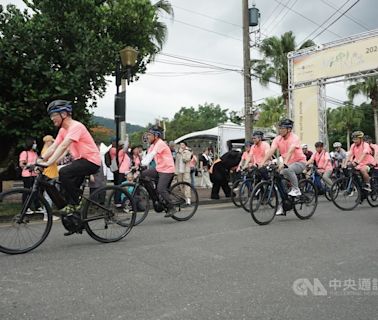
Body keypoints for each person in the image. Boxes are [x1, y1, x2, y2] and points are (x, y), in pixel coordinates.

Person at [37, 100, 101, 214]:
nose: (52, 118)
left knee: (64, 172)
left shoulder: (76, 126)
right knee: (64, 184)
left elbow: (63, 145)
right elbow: (53, 147)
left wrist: (49, 162)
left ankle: (76, 203)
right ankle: (76, 219)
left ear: (64, 114)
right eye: (51, 115)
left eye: (54, 114)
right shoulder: (63, 130)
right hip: (80, 161)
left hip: (91, 161)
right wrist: (40, 159)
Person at [262, 119, 307, 215]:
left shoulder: (294, 138)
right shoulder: (278, 139)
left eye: (282, 128)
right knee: (278, 181)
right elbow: (271, 150)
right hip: (287, 163)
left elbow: (291, 151)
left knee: (287, 169)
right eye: (280, 128)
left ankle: (296, 189)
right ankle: (282, 206)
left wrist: (284, 163)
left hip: (299, 162)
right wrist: (262, 162)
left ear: (289, 129)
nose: (280, 130)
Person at [141, 126, 176, 217]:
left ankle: (171, 207)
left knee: (161, 189)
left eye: (149, 135)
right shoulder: (152, 145)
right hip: (159, 168)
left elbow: (151, 156)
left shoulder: (160, 143)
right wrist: (137, 166)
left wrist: (142, 164)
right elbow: (147, 155)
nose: (147, 137)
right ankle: (155, 198)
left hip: (167, 170)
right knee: (143, 175)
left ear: (156, 136)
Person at [19, 137, 43, 214]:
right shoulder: (24, 153)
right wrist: (28, 165)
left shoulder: (35, 153)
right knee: (27, 191)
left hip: (35, 174)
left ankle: (37, 206)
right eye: (34, 143)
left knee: (36, 190)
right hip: (27, 174)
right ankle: (26, 207)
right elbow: (22, 163)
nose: (35, 145)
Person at [41, 135, 60, 221]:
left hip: (51, 174)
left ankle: (47, 214)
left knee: (49, 196)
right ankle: (47, 215)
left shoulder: (45, 150)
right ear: (48, 142)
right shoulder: (47, 151)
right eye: (51, 142)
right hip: (50, 175)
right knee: (49, 196)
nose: (52, 143)